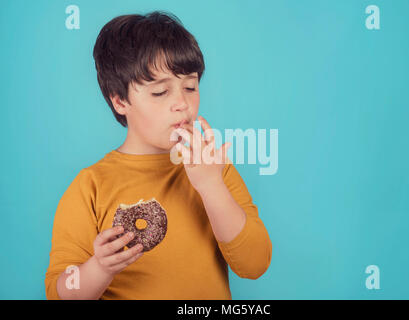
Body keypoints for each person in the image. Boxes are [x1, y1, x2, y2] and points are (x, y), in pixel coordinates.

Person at [45, 10, 272, 300]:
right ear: (120, 100)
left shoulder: (215, 168)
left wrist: (211, 187)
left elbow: (255, 264)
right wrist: (99, 268)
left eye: (190, 87)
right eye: (160, 92)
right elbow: (59, 292)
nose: (182, 103)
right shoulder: (90, 186)